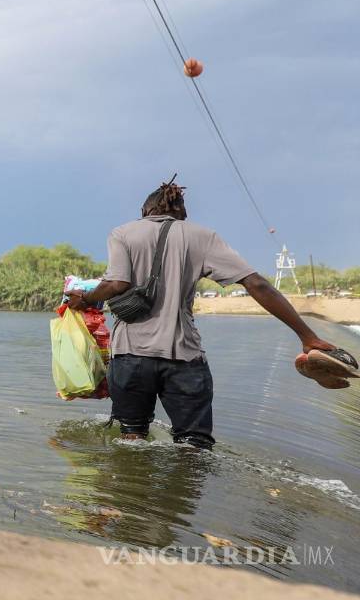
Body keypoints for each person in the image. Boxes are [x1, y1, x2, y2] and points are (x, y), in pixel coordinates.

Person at [68, 176, 357, 449]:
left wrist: (86, 299)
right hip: (184, 359)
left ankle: (134, 499)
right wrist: (307, 336)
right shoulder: (202, 236)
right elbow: (256, 284)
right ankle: (186, 498)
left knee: (131, 438)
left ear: (145, 210)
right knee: (194, 445)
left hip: (131, 358)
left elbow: (117, 283)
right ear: (181, 211)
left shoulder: (123, 233)